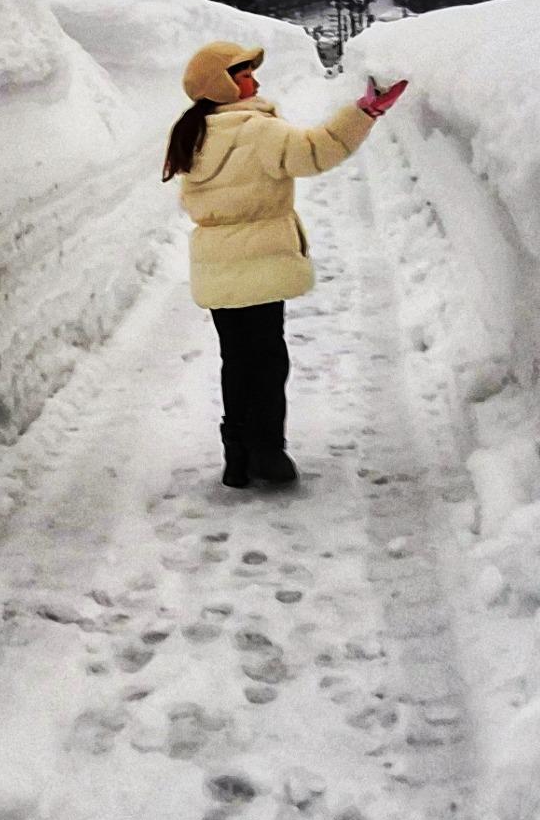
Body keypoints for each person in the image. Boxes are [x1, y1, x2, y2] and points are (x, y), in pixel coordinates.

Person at [162, 40, 408, 490]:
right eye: (243, 74)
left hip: (217, 264)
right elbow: (317, 150)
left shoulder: (192, 133)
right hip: (258, 259)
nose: (254, 79)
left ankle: (237, 454)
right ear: (223, 84)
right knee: (268, 360)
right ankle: (267, 451)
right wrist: (365, 112)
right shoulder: (256, 131)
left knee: (236, 361)